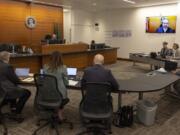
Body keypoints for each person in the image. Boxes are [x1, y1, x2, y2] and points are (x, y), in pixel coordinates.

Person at [0, 51, 31, 119]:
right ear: (7, 58)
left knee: (15, 87)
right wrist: (18, 78)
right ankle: (16, 112)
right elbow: (16, 80)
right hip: (6, 90)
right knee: (27, 92)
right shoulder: (7, 66)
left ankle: (13, 106)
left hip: (1, 90)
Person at [43, 51, 68, 120]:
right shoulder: (63, 67)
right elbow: (66, 83)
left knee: (54, 97)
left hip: (47, 94)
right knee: (63, 98)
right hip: (59, 95)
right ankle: (59, 114)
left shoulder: (45, 66)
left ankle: (52, 111)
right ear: (61, 58)